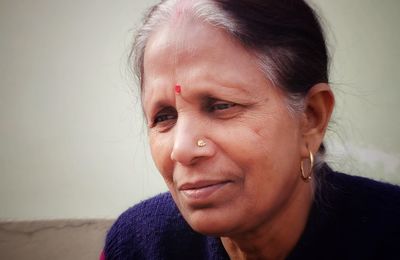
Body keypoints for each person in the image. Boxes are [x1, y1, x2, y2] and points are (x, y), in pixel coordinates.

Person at [102, 0, 400, 259]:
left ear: (311, 118)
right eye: (164, 116)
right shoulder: (136, 246)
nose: (182, 149)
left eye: (220, 106)